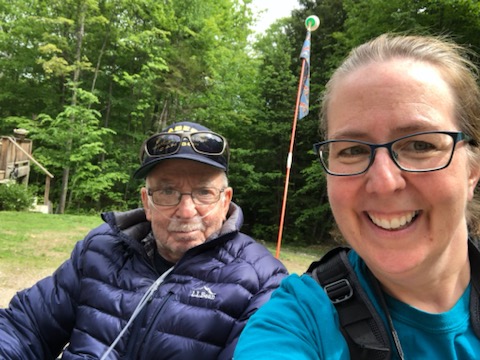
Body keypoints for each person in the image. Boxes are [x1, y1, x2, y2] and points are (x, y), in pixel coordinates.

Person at [233, 34, 480, 359]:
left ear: (473, 170)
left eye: (420, 145)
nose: (383, 183)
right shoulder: (297, 324)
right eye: (352, 150)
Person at [0, 121, 288, 359]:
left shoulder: (261, 280)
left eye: (203, 192)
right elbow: (24, 328)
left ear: (225, 201)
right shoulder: (101, 249)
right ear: (146, 202)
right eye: (166, 191)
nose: (186, 211)